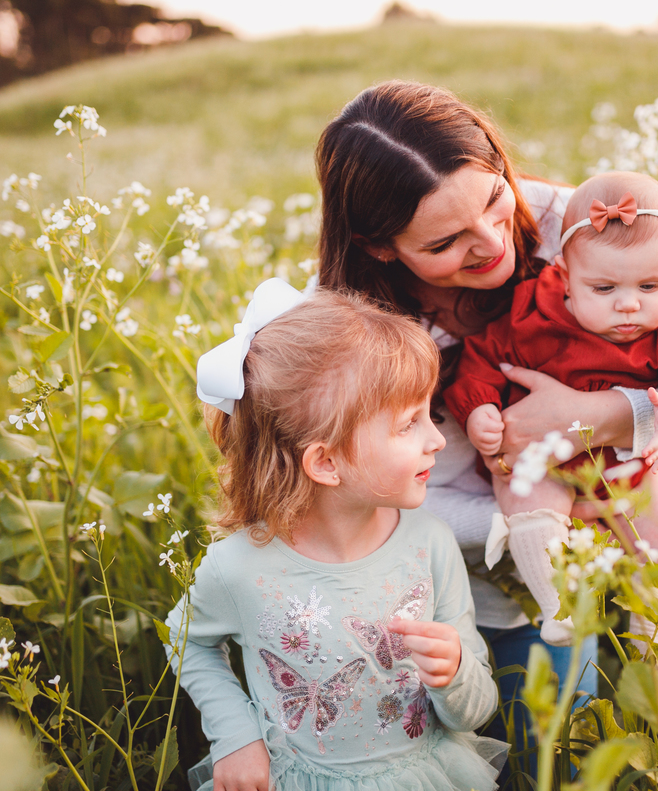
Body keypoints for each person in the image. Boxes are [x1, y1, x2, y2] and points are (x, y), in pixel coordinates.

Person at [315, 80, 658, 747]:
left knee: (572, 743)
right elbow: (354, 495)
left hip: (589, 530)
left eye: (495, 199)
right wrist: (537, 513)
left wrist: (603, 415)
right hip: (444, 577)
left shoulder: (577, 224)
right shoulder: (349, 322)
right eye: (445, 243)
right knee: (483, 753)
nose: (492, 242)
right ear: (380, 246)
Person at [166, 280, 505, 791]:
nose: (437, 439)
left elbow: (473, 712)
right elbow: (185, 637)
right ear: (325, 462)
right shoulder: (238, 567)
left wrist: (455, 671)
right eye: (409, 423)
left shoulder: (429, 543)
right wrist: (235, 736)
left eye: (428, 415)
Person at [443, 171, 658, 646]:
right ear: (566, 277)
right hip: (540, 457)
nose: (630, 306)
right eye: (605, 289)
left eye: (651, 285)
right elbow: (485, 358)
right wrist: (479, 411)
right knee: (531, 505)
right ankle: (562, 609)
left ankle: (655, 634)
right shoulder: (532, 309)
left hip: (626, 460)